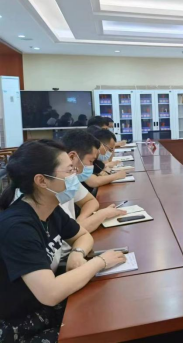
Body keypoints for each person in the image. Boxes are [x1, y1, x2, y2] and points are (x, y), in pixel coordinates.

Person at [0, 140, 126, 342]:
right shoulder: (17, 227)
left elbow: (82, 235)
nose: (75, 176)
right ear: (42, 181)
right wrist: (100, 262)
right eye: (69, 171)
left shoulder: (50, 209)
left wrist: (78, 253)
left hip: (46, 307)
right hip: (23, 324)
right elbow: (50, 293)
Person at [61, 130, 126, 192]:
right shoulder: (62, 179)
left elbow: (88, 199)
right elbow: (94, 181)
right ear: (72, 157)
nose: (91, 166)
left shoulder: (73, 178)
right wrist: (117, 176)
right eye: (91, 161)